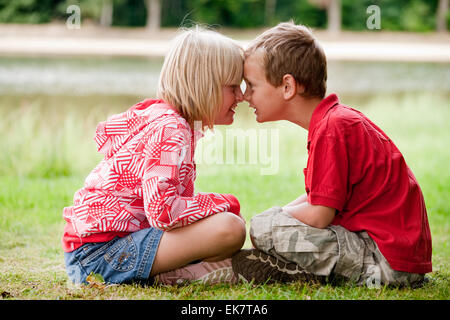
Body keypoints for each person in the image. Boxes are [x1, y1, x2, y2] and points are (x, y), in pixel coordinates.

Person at [231, 22, 432, 288]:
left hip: (386, 262)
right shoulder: (332, 121)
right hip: (395, 257)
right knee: (268, 222)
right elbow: (319, 197)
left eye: (252, 86)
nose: (245, 96)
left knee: (263, 227)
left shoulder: (332, 128)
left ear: (288, 86)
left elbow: (319, 215)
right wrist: (278, 214)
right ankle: (294, 265)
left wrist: (272, 221)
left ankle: (298, 273)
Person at [63, 26, 247, 286]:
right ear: (204, 86)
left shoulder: (171, 122)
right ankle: (181, 275)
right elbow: (164, 212)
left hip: (101, 251)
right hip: (98, 256)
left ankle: (197, 269)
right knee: (230, 227)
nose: (240, 96)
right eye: (233, 87)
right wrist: (223, 203)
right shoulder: (170, 130)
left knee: (224, 225)